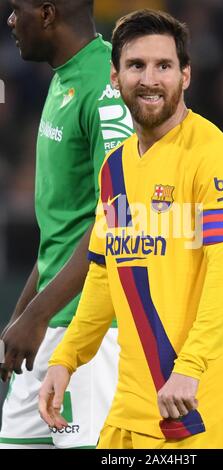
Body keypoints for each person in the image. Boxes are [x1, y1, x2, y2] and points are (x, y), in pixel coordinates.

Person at [39, 9, 223, 449]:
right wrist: (66, 359)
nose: (150, 79)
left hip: (195, 408)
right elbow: (103, 271)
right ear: (115, 77)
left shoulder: (217, 157)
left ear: (186, 75)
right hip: (130, 408)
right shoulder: (113, 169)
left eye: (164, 66)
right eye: (136, 65)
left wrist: (190, 367)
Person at [0, 0, 133, 449]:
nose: (11, 21)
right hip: (49, 322)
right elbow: (63, 229)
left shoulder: (107, 86)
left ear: (49, 14)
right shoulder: (64, 78)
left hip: (91, 332)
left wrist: (35, 315)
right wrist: (23, 313)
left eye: (18, 10)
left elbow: (116, 220)